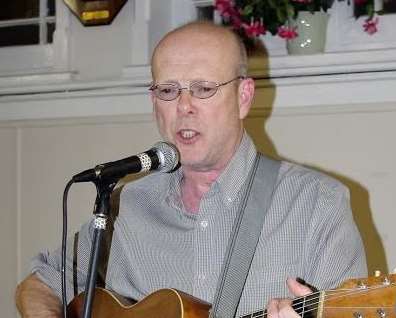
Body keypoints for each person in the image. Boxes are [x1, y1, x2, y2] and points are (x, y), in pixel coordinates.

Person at [15, 21, 367, 318]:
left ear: (244, 97)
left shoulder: (317, 204)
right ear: (154, 103)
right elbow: (42, 282)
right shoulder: (127, 205)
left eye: (203, 89)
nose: (184, 106)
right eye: (168, 90)